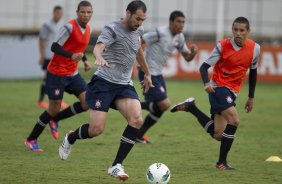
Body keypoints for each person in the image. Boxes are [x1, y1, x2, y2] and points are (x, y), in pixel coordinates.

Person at [58, 0, 152, 181]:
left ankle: (116, 165)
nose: (140, 23)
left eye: (143, 20)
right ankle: (71, 137)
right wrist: (99, 56)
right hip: (103, 83)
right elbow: (99, 47)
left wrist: (147, 73)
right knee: (96, 130)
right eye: (137, 19)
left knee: (136, 119)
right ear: (128, 13)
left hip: (124, 85)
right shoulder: (112, 28)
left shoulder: (138, 30)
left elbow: (138, 50)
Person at [170, 17, 260, 170]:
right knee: (234, 120)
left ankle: (191, 108)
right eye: (235, 30)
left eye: (242, 30)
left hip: (232, 91)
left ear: (248, 32)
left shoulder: (255, 48)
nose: (238, 33)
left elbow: (253, 72)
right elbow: (203, 68)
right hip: (218, 87)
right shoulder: (222, 46)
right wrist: (206, 83)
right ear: (232, 30)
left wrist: (251, 97)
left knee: (218, 134)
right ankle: (221, 163)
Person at [25, 1, 93, 152]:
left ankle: (55, 120)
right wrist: (71, 55)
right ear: (77, 12)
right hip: (56, 73)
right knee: (53, 108)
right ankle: (31, 139)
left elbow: (79, 49)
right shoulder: (69, 27)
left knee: (87, 102)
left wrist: (85, 60)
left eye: (88, 12)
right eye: (83, 12)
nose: (85, 15)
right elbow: (54, 46)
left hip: (73, 74)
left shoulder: (88, 29)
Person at [136, 10, 198, 143]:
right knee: (165, 104)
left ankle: (139, 134)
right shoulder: (160, 32)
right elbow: (138, 41)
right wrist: (139, 60)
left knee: (160, 108)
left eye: (183, 22)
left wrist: (192, 54)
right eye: (178, 22)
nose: (181, 25)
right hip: (147, 72)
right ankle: (132, 105)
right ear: (171, 22)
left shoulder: (180, 37)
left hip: (158, 74)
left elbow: (187, 57)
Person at [37, 5, 68, 109]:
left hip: (56, 56)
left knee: (56, 79)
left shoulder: (59, 26)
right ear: (54, 13)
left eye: (61, 14)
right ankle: (42, 101)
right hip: (48, 55)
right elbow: (42, 40)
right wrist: (41, 55)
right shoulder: (47, 25)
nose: (59, 15)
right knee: (47, 78)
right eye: (58, 13)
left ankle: (57, 100)